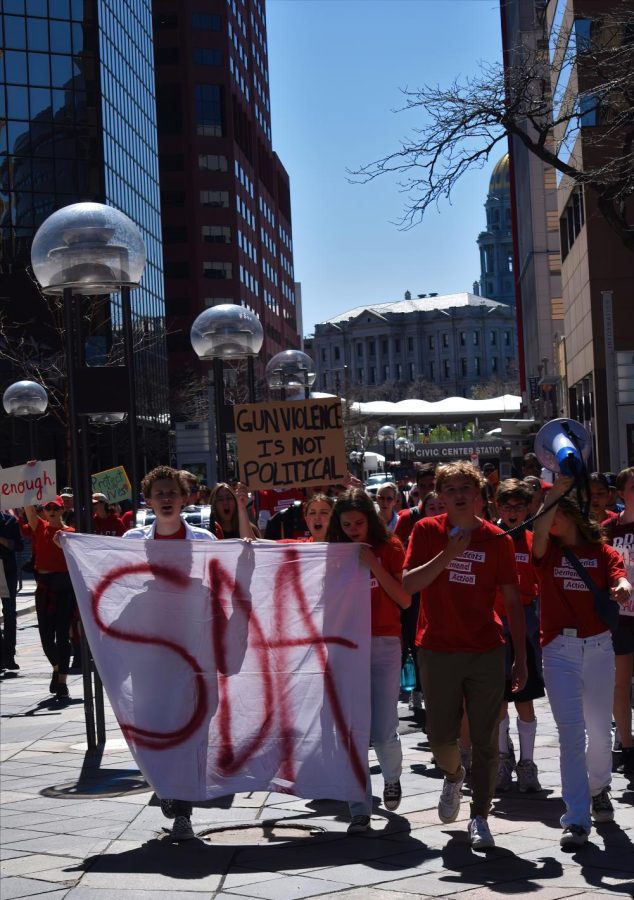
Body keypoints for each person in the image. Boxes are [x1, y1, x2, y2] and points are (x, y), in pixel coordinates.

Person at [403, 461, 527, 851]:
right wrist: (446, 555)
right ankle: (454, 775)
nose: (458, 494)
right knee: (441, 737)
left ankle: (480, 815)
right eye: (450, 488)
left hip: (487, 648)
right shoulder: (426, 531)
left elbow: (512, 600)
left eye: (465, 488)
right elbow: (408, 585)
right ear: (439, 496)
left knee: (487, 738)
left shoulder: (498, 539)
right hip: (437, 648)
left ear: (478, 495)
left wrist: (520, 657)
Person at [532, 475, 631, 848]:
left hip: (599, 648)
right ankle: (575, 818)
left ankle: (599, 787)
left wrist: (623, 588)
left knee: (600, 732)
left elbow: (621, 579)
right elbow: (538, 534)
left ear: (570, 517)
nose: (546, 521)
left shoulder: (602, 553)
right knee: (571, 735)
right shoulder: (548, 553)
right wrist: (552, 496)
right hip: (559, 651)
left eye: (554, 515)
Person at [123, 465, 217, 842]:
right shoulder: (132, 539)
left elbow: (219, 583)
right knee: (154, 725)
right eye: (158, 493)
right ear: (147, 500)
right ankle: (165, 784)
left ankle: (182, 809)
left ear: (185, 498)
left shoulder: (205, 539)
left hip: (192, 647)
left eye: (171, 492)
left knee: (190, 727)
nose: (165, 498)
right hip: (150, 650)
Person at [327, 488, 411, 833]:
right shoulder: (331, 552)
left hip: (383, 643)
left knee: (383, 729)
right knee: (353, 731)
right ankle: (359, 807)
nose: (353, 529)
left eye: (359, 523)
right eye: (346, 524)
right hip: (347, 645)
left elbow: (404, 599)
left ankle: (392, 777)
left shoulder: (390, 547)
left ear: (370, 520)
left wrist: (373, 564)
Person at [493, 479, 545, 794]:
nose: (513, 512)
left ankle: (527, 763)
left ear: (528, 508)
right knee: (499, 700)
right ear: (496, 507)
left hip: (524, 625)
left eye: (519, 506)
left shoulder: (533, 541)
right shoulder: (488, 538)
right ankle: (502, 758)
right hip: (495, 626)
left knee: (524, 699)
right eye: (506, 506)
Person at [24, 495, 75, 702]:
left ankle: (62, 682)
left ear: (62, 510)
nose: (52, 510)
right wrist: (29, 477)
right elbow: (27, 507)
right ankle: (56, 668)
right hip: (44, 588)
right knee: (46, 638)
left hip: (64, 588)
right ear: (44, 511)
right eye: (48, 507)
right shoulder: (40, 527)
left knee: (62, 635)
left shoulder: (71, 533)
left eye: (56, 507)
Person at [600, 466, 634, 777]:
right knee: (620, 684)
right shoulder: (609, 528)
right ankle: (627, 745)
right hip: (620, 618)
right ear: (621, 494)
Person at [0, 509, 24, 672]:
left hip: (7, 571)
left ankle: (9, 655)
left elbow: (19, 546)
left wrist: (3, 540)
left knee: (9, 613)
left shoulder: (10, 521)